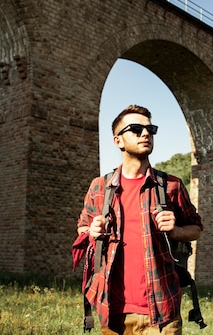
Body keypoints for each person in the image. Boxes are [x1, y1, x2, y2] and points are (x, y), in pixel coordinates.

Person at [75, 104, 203, 335]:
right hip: (112, 312)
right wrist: (91, 231)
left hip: (161, 314)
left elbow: (196, 228)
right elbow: (82, 228)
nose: (145, 134)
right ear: (118, 141)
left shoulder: (170, 185)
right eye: (135, 129)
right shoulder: (99, 187)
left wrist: (175, 231)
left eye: (150, 129)